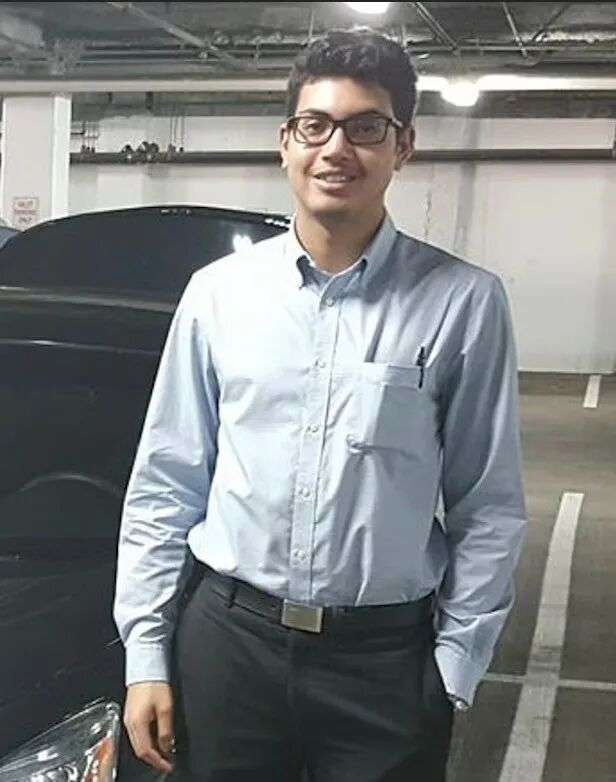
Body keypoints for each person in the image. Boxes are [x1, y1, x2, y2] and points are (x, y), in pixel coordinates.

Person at [114, 26, 528, 782]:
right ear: (286, 143)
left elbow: (488, 504)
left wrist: (453, 670)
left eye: (366, 128)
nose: (337, 148)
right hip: (229, 647)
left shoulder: (463, 303)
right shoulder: (219, 295)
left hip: (383, 664)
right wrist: (146, 652)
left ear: (403, 146)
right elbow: (166, 482)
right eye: (316, 125)